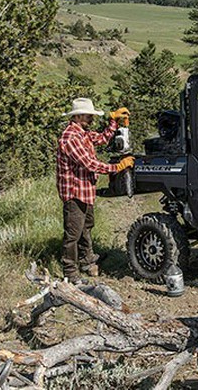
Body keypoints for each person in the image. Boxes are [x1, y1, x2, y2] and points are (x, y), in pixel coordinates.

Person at [57, 98, 134, 281]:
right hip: (75, 192)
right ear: (77, 116)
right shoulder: (70, 138)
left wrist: (113, 122)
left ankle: (87, 259)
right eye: (88, 116)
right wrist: (117, 167)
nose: (91, 119)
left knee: (86, 226)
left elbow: (101, 138)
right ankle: (70, 271)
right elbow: (89, 164)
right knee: (73, 233)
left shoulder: (83, 133)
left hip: (85, 190)